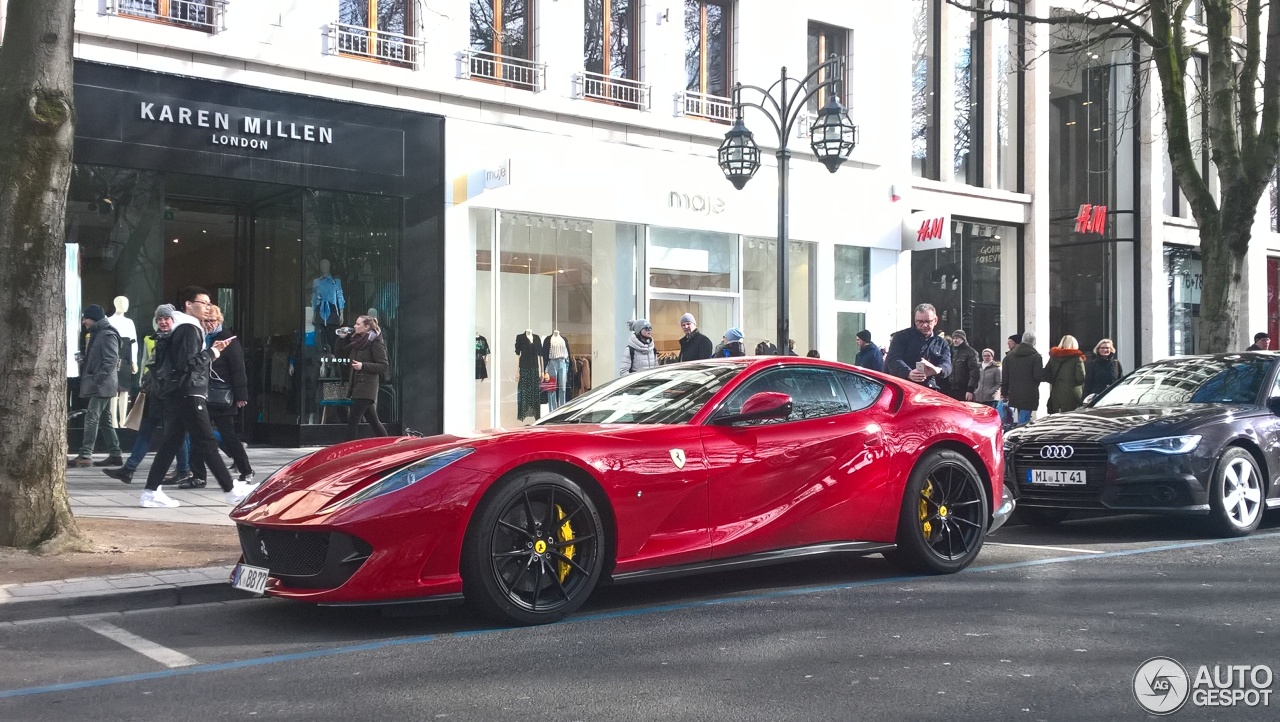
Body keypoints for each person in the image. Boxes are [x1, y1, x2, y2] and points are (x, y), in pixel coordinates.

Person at [138, 287, 254, 509]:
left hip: (180, 393)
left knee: (171, 443)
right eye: (203, 302)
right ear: (188, 305)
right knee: (207, 442)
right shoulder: (190, 328)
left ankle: (150, 491)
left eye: (209, 303)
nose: (207, 307)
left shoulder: (182, 327)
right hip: (189, 392)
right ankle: (230, 490)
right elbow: (186, 364)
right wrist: (212, 352)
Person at [103, 305, 192, 485]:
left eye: (166, 318)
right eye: (159, 319)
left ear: (173, 320)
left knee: (175, 434)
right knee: (147, 431)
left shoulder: (176, 339)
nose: (163, 322)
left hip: (168, 394)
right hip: (156, 393)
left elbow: (173, 367)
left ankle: (183, 470)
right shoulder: (160, 338)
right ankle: (129, 469)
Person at [187, 304, 254, 486]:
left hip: (222, 395)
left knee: (228, 435)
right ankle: (198, 475)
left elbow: (238, 369)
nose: (208, 324)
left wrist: (241, 395)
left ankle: (246, 470)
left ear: (219, 321)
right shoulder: (200, 338)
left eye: (212, 321)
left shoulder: (227, 339)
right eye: (205, 321)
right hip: (202, 393)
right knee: (197, 435)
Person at [70, 304, 124, 468]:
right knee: (105, 420)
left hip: (102, 385)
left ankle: (85, 455)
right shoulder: (99, 333)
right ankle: (115, 454)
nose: (84, 321)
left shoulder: (106, 334)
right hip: (103, 384)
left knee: (91, 418)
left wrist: (96, 380)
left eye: (86, 317)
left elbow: (110, 361)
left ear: (93, 318)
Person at [335, 315, 390, 439]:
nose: (355, 326)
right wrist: (341, 339)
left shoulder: (375, 342)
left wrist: (363, 365)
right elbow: (340, 353)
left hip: (367, 387)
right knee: (373, 421)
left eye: (358, 324)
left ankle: (348, 449)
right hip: (357, 385)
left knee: (353, 421)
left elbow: (383, 366)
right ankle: (387, 444)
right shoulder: (357, 341)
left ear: (366, 327)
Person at [885, 303, 952, 390]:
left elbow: (947, 364)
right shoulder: (901, 337)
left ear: (935, 320)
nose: (924, 325)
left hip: (930, 389)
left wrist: (937, 370)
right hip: (903, 387)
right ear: (915, 320)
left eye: (928, 322)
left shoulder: (942, 343)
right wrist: (908, 373)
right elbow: (893, 359)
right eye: (920, 322)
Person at [1001, 331, 1044, 425]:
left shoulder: (1009, 356)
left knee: (1020, 416)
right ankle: (1020, 438)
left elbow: (1005, 377)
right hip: (1029, 393)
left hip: (1014, 392)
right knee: (1024, 419)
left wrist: (1004, 393)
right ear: (1034, 342)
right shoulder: (1036, 357)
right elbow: (1038, 376)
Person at [1044, 334, 1087, 414]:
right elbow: (1080, 377)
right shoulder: (1077, 358)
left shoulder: (1053, 358)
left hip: (1056, 393)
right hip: (1073, 393)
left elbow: (1046, 374)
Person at [944, 329, 981, 402]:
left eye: (957, 338)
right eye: (953, 338)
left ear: (963, 339)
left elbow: (974, 373)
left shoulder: (971, 352)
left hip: (964, 389)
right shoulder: (951, 352)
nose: (955, 340)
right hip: (950, 389)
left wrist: (970, 389)